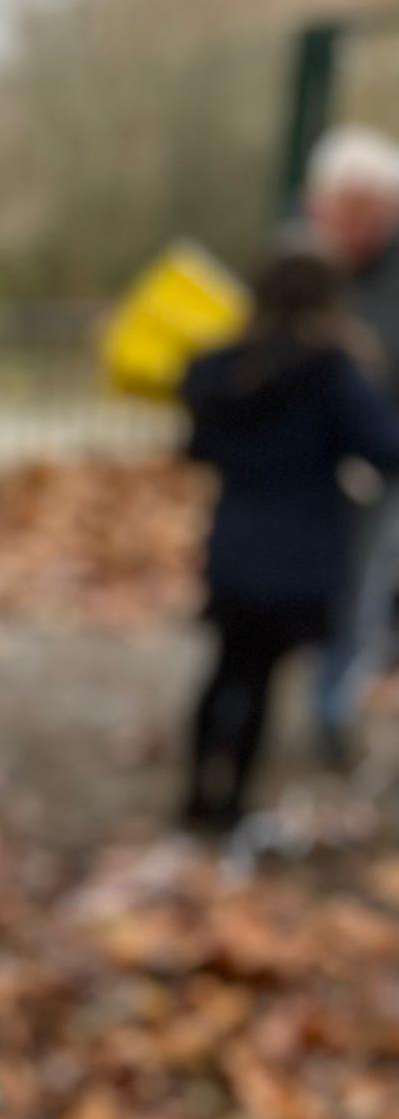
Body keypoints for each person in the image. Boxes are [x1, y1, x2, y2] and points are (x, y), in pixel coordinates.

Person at [180, 246, 399, 834]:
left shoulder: (218, 366)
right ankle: (230, 805)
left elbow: (197, 447)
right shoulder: (330, 369)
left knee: (227, 667)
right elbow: (381, 444)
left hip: (234, 540)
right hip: (300, 548)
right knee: (260, 678)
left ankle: (198, 795)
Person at [306, 126, 399, 766]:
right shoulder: (299, 270)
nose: (351, 231)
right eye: (341, 213)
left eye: (365, 216)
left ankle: (334, 711)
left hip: (381, 457)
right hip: (305, 465)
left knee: (361, 588)